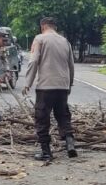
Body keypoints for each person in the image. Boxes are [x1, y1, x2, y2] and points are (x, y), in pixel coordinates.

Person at [23, 17, 76, 160]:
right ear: (55, 27)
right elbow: (71, 65)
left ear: (43, 27)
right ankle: (70, 142)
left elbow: (34, 61)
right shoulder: (65, 41)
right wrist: (69, 84)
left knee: (42, 118)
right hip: (62, 86)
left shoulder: (39, 39)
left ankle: (46, 152)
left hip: (46, 86)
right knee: (63, 115)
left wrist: (28, 82)